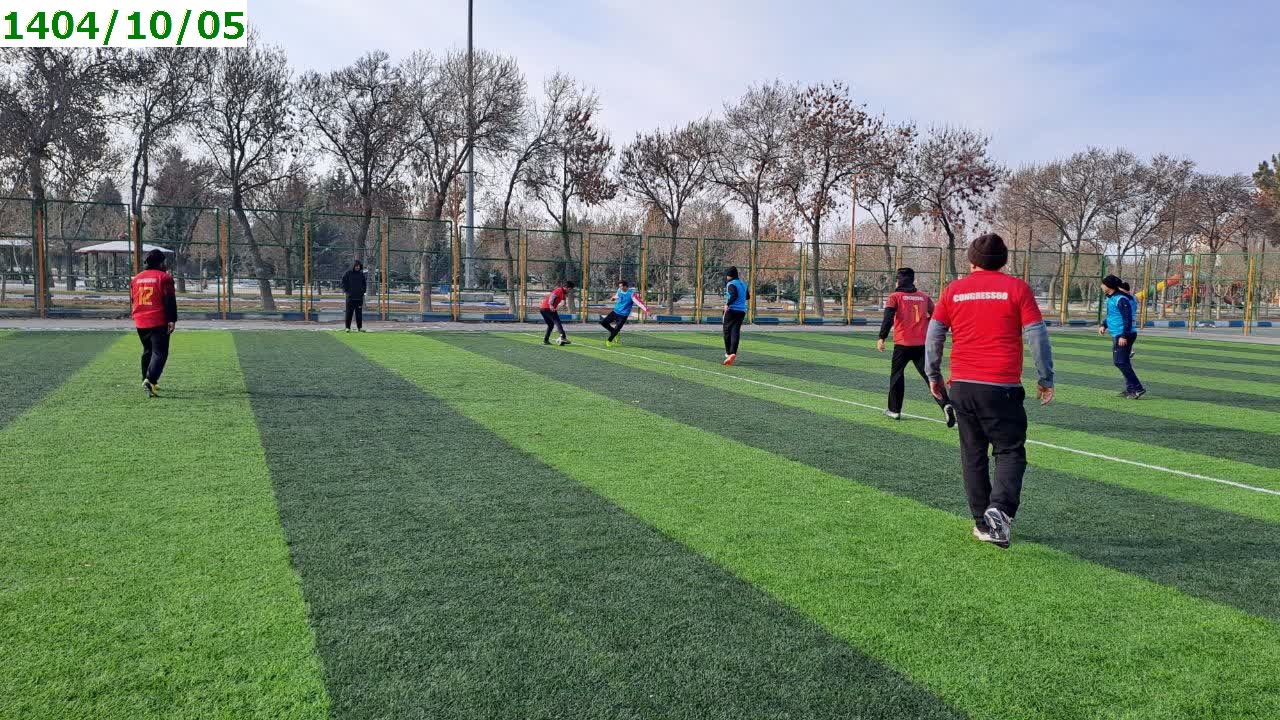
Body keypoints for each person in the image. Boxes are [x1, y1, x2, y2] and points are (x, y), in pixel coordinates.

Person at [925, 233, 1054, 549]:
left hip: (963, 386)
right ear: (1004, 260)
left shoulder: (953, 291)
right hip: (1002, 386)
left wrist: (933, 374)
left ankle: (984, 523)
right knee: (1009, 451)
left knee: (973, 454)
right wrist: (1045, 378)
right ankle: (1000, 509)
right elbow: (1037, 336)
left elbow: (934, 335)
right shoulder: (1017, 289)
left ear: (971, 260)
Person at [877, 267, 955, 427]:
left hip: (902, 345)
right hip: (922, 344)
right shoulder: (924, 297)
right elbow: (937, 316)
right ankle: (946, 405)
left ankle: (894, 410)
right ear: (913, 280)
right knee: (931, 377)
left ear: (898, 281)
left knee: (897, 376)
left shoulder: (894, 297)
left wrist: (882, 337)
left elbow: (888, 318)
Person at [130, 249, 177, 398]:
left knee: (148, 350)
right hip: (157, 319)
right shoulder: (165, 278)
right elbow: (169, 300)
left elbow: (133, 299)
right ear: (161, 263)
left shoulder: (136, 278)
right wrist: (171, 319)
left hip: (140, 319)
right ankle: (150, 380)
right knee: (160, 352)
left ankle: (147, 379)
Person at [1099, 275, 1145, 398]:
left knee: (1120, 362)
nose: (1101, 286)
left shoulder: (1121, 299)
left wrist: (1124, 336)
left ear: (1109, 286)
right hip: (1118, 333)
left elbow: (1127, 319)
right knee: (1123, 362)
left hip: (1123, 334)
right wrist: (1104, 325)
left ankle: (1138, 388)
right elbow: (1112, 315)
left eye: (1103, 284)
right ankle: (1131, 389)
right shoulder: (1112, 298)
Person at [600, 279, 649, 346]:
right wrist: (613, 298)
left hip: (623, 315)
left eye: (621, 286)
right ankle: (614, 332)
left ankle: (609, 341)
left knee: (617, 328)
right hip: (615, 312)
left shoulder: (632, 294)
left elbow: (639, 303)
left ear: (626, 286)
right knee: (603, 322)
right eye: (619, 286)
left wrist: (647, 310)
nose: (620, 288)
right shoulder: (619, 290)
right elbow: (617, 295)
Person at [722, 266, 749, 366]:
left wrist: (727, 304)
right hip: (741, 311)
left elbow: (734, 295)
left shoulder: (731, 284)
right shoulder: (743, 284)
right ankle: (733, 352)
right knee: (735, 332)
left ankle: (729, 353)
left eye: (727, 275)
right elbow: (748, 296)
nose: (726, 277)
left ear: (730, 275)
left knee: (726, 331)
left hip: (732, 310)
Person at [541, 280, 575, 345]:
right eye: (569, 289)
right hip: (548, 308)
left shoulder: (563, 292)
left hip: (543, 308)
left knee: (551, 325)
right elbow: (552, 296)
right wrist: (551, 305)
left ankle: (545, 340)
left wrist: (564, 304)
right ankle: (563, 337)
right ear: (566, 287)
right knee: (557, 321)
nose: (570, 291)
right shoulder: (559, 290)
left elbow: (563, 298)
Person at [340, 259, 367, 332]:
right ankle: (347, 328)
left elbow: (364, 284)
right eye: (356, 266)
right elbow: (343, 282)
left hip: (359, 298)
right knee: (349, 313)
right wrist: (347, 291)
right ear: (353, 266)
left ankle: (359, 328)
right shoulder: (347, 273)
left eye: (359, 266)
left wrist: (363, 291)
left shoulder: (361, 274)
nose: (357, 267)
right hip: (350, 298)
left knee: (359, 314)